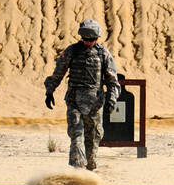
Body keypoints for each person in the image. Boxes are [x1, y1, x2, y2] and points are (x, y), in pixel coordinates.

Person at [44, 19, 119, 171]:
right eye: (85, 39)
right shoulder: (71, 52)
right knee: (76, 134)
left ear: (97, 38)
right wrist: (50, 90)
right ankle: (78, 172)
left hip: (95, 104)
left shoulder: (103, 54)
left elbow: (112, 80)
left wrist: (112, 98)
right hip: (74, 101)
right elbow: (58, 72)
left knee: (93, 138)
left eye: (92, 40)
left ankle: (90, 169)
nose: (88, 42)